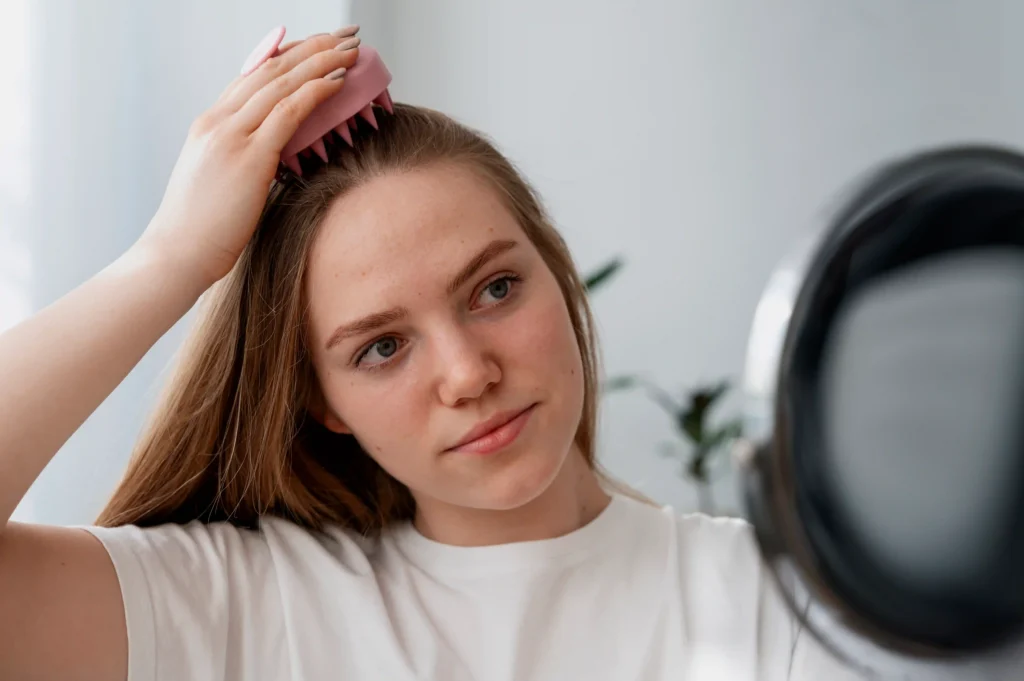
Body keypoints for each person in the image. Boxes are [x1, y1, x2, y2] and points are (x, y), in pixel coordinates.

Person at [0, 26, 866, 681]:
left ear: (558, 279)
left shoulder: (769, 598)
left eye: (494, 289)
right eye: (381, 346)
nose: (468, 374)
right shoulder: (241, 608)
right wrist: (169, 260)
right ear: (321, 399)